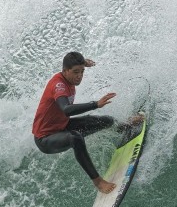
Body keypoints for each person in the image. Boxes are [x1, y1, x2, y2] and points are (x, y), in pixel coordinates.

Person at [32, 51, 123, 193]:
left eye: (82, 72)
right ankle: (98, 182)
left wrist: (83, 62)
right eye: (75, 72)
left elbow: (73, 61)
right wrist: (95, 104)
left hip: (61, 125)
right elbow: (66, 109)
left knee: (105, 120)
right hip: (45, 138)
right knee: (75, 138)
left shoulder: (70, 74)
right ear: (65, 71)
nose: (79, 76)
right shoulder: (58, 86)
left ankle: (122, 127)